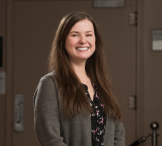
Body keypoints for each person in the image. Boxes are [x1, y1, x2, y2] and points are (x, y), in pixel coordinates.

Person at [33, 12, 125, 146]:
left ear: (95, 41)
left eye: (88, 34)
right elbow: (49, 138)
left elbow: (118, 133)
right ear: (63, 41)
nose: (83, 40)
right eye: (75, 35)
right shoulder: (50, 84)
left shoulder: (101, 83)